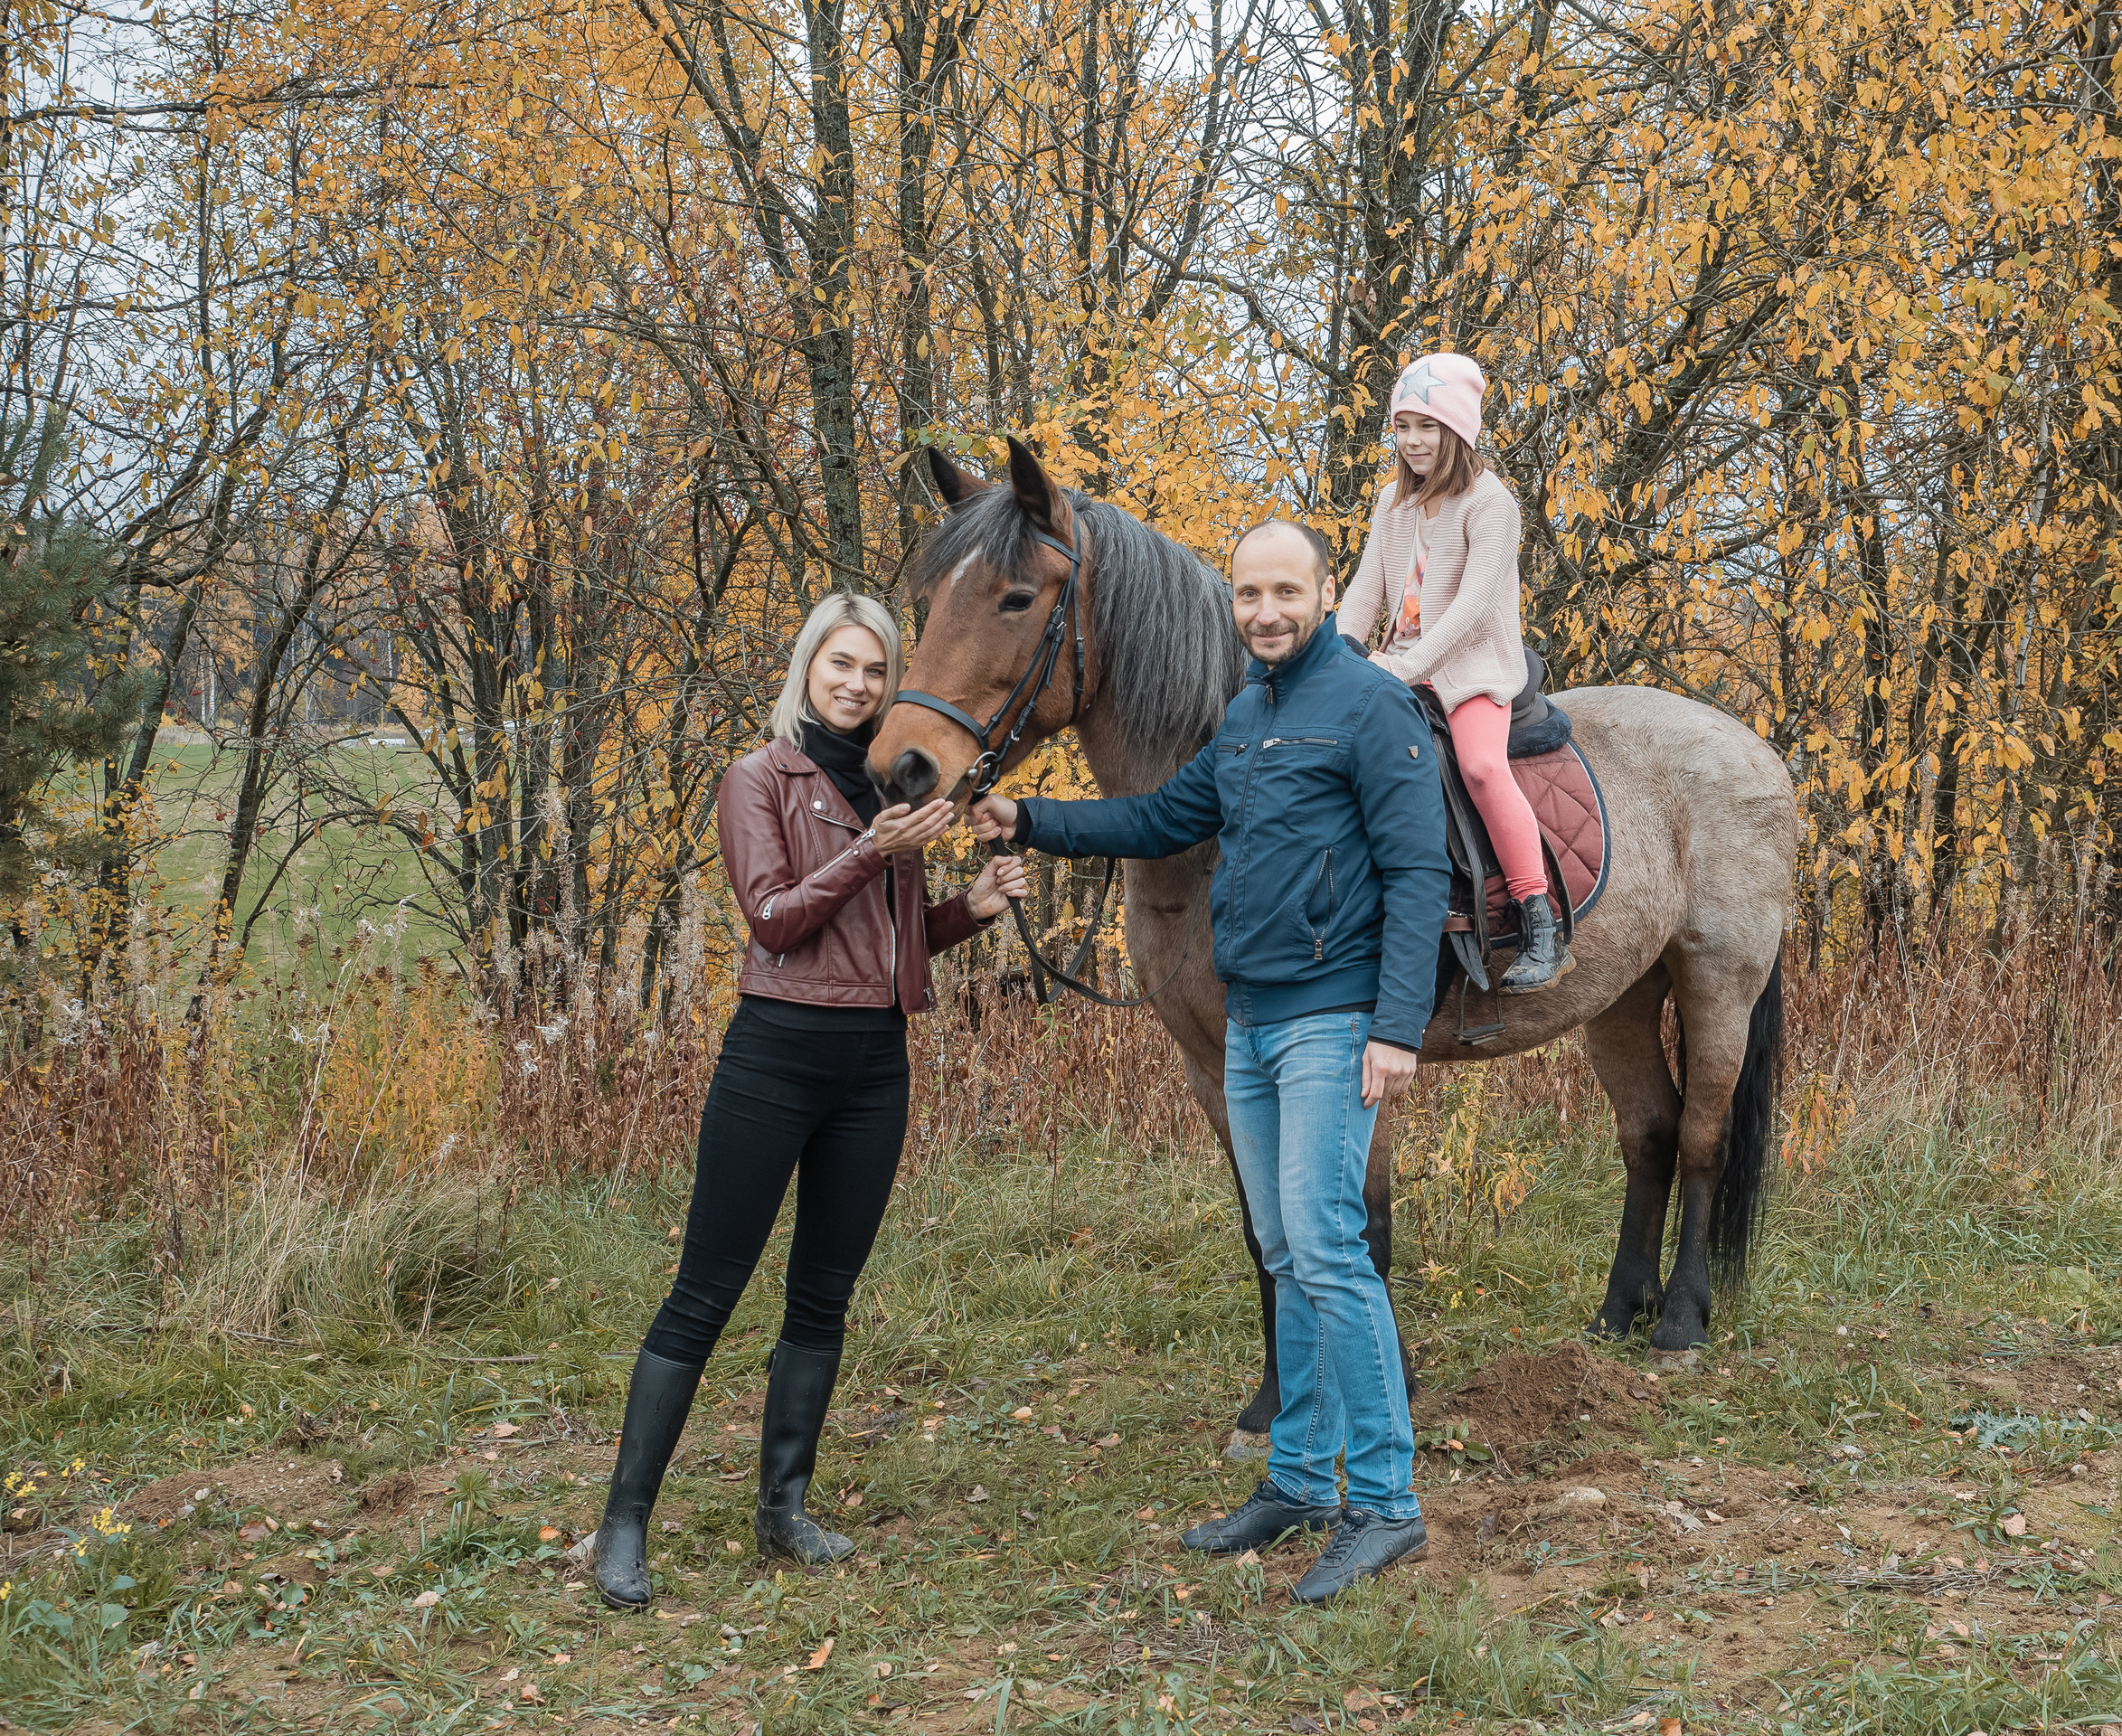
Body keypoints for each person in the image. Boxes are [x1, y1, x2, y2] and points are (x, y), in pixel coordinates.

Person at [971, 520, 1448, 1605]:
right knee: (1283, 1247)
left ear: (1326, 594)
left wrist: (1395, 1027)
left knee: (1330, 1250)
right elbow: (1163, 816)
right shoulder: (1246, 713)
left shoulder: (1370, 706)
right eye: (1247, 594)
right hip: (1256, 1022)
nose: (1265, 612)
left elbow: (1419, 871)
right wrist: (1028, 817)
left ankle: (1384, 1503)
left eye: (1286, 591)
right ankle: (1297, 1484)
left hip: (1333, 1018)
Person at [591, 591, 1027, 1610]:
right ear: (807, 669)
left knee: (821, 1298)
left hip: (875, 1065)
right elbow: (777, 922)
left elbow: (890, 940)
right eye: (841, 665)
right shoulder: (760, 776)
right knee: (703, 1295)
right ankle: (622, 1525)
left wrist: (970, 908)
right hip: (774, 1058)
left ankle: (782, 1512)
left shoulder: (896, 783)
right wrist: (871, 851)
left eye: (875, 670)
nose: (858, 685)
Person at [1336, 353, 1570, 992]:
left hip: (1470, 666)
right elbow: (1367, 587)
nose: (1412, 441)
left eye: (1427, 427)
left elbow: (1470, 608)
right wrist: (1329, 654)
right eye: (1403, 426)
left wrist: (1409, 665)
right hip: (1396, 661)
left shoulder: (1491, 505)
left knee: (1481, 767)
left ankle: (1537, 915)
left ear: (1458, 431)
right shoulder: (1392, 501)